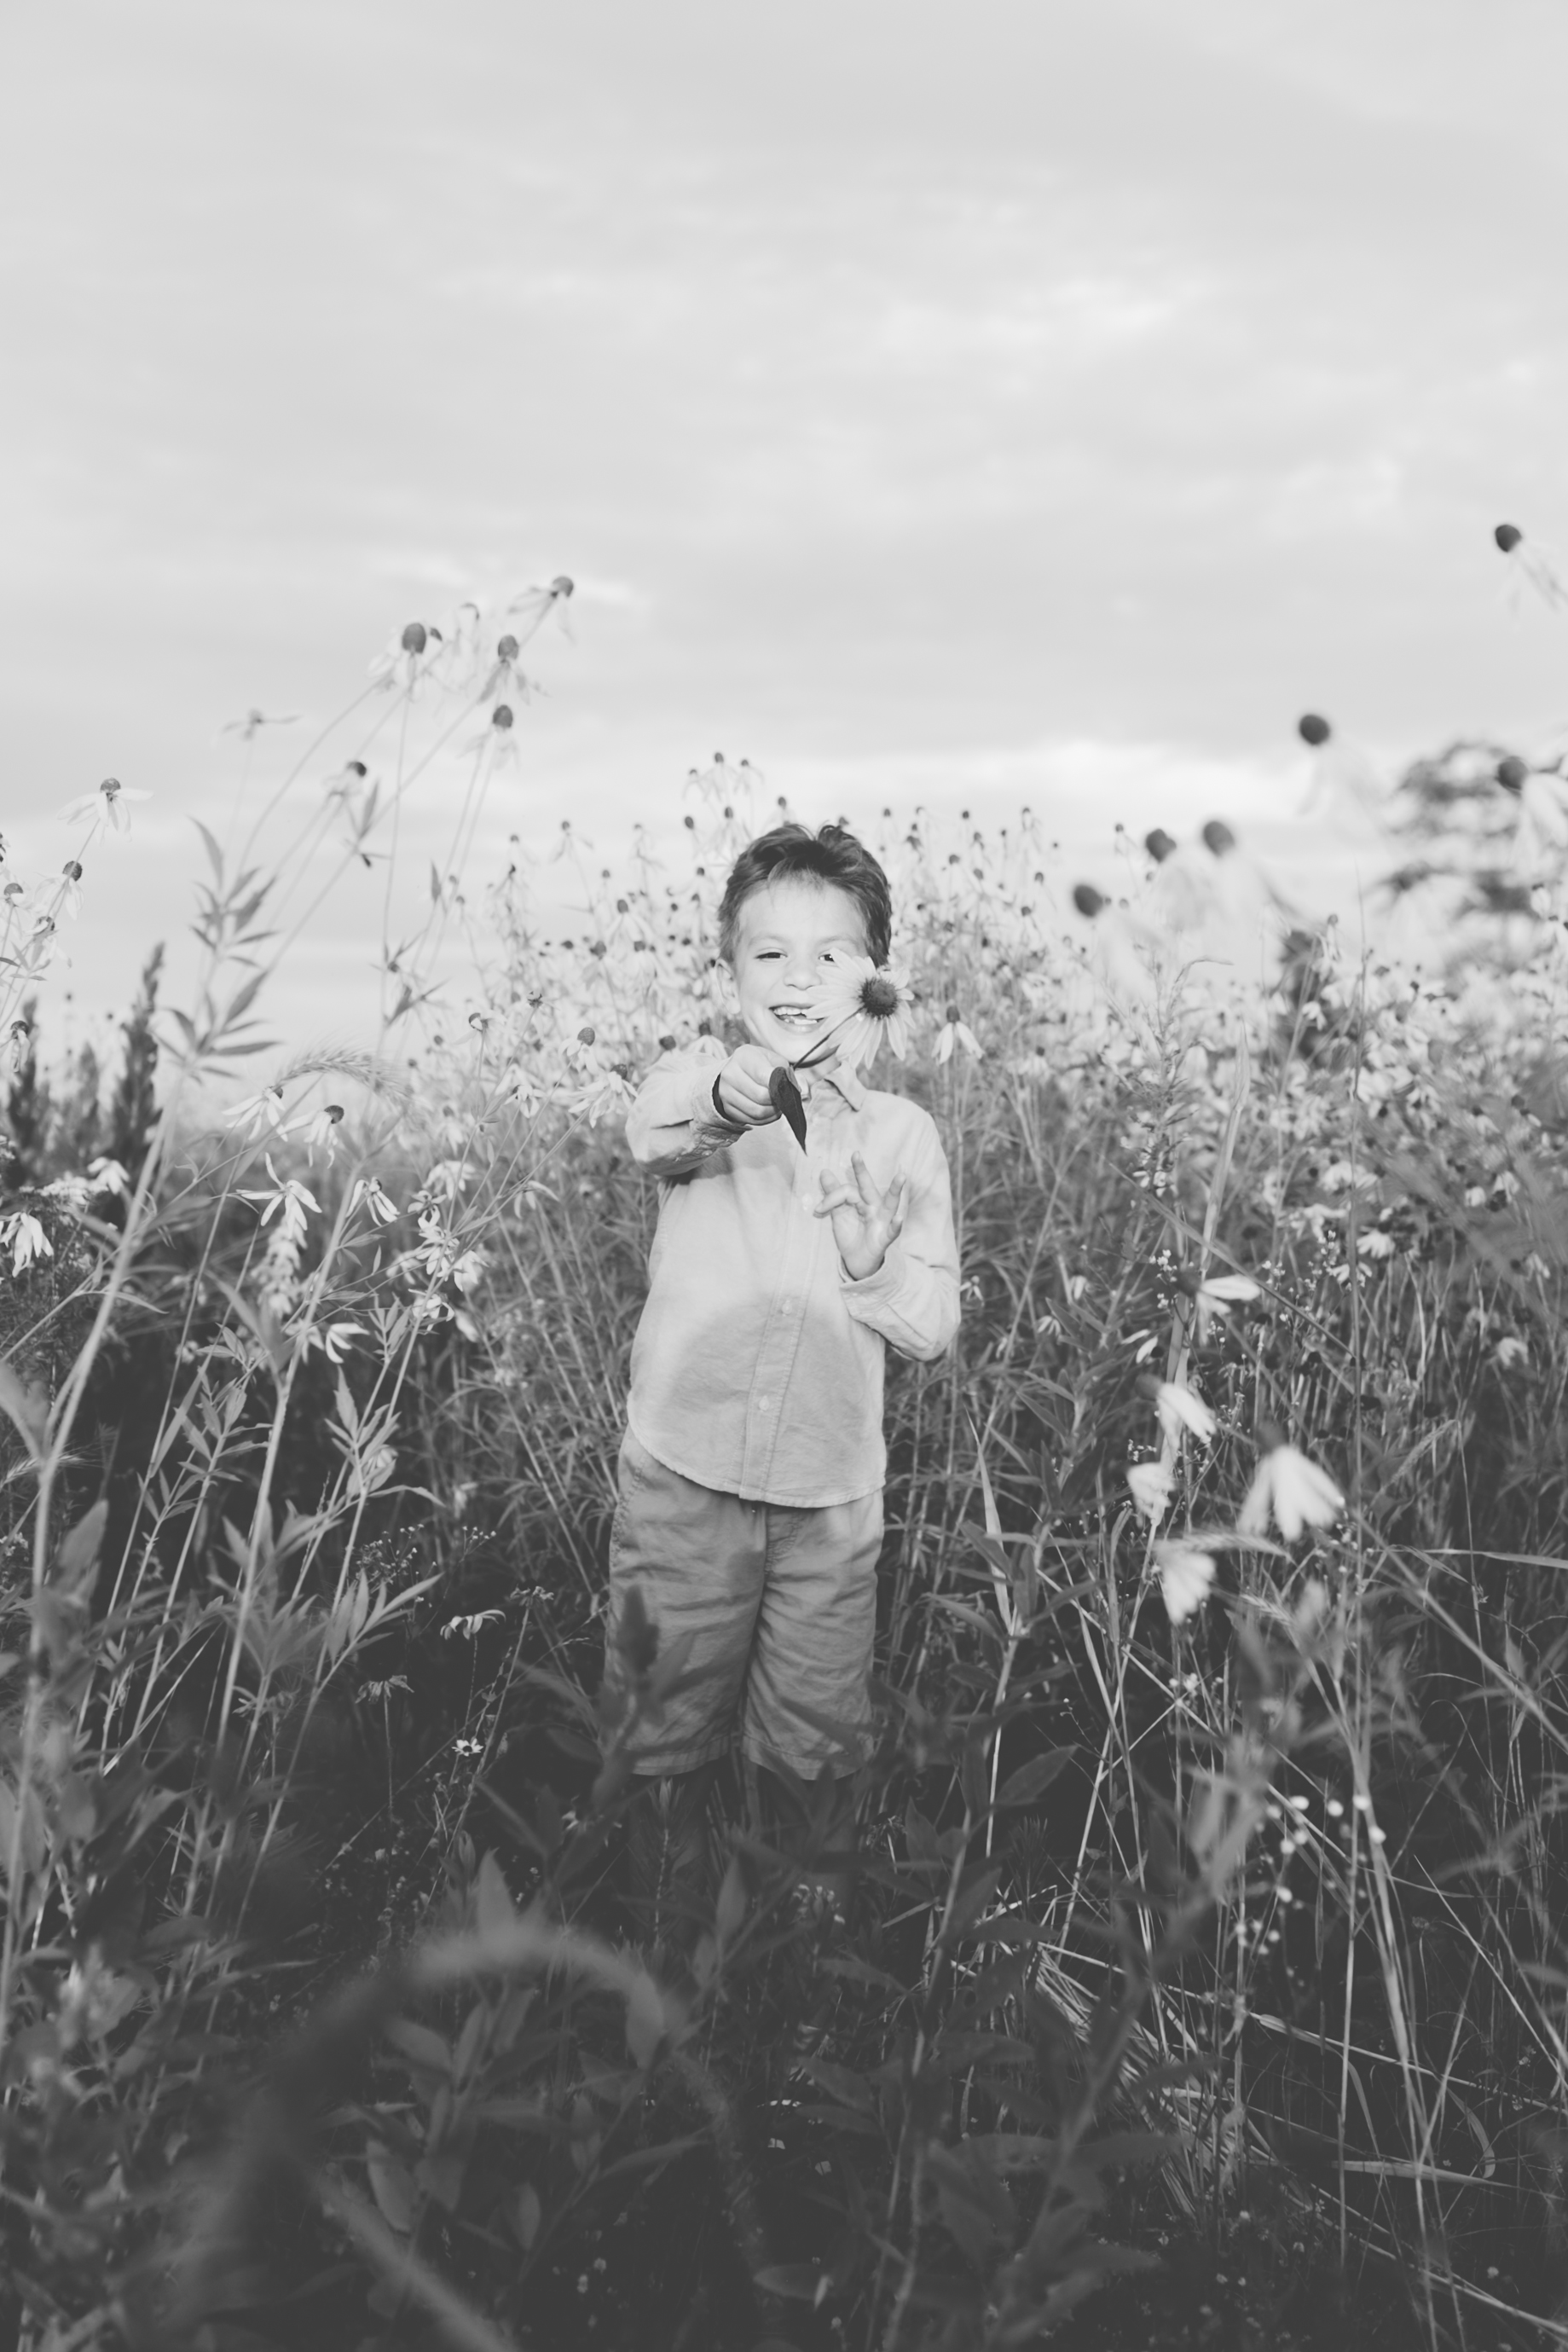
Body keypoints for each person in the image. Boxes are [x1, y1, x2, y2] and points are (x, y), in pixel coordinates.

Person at [600, 822, 960, 1936]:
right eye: (771, 955)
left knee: (811, 1749)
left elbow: (933, 1323)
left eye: (834, 954)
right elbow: (648, 1129)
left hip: (827, 1510)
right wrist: (728, 1088)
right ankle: (656, 1949)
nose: (801, 980)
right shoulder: (700, 1095)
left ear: (879, 978)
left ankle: (794, 1979)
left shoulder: (904, 1137)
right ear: (729, 975)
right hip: (683, 1481)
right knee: (661, 1729)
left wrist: (866, 1253)